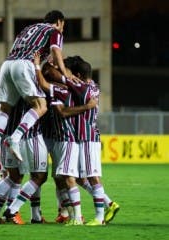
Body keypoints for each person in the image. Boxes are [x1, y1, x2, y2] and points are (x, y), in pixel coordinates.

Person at [0, 10, 77, 164]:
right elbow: (56, 50)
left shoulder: (28, 29)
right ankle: (14, 139)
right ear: (58, 22)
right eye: (62, 26)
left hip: (7, 64)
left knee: (5, 109)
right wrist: (64, 72)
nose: (62, 29)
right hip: (24, 64)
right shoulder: (54, 31)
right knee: (41, 105)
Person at [53, 56, 120, 225]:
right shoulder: (94, 86)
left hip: (87, 137)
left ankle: (99, 218)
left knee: (92, 176)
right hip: (83, 137)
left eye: (71, 74)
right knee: (82, 178)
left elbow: (57, 77)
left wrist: (48, 65)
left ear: (77, 75)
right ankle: (109, 204)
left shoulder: (82, 87)